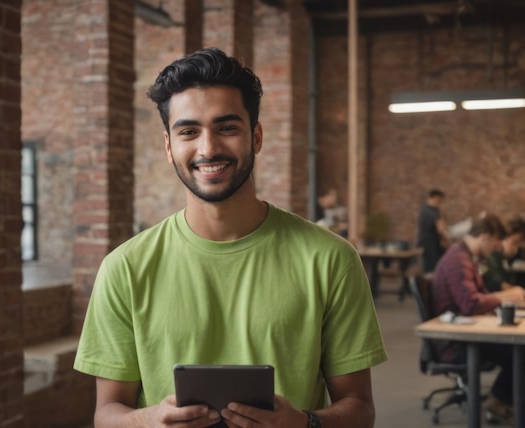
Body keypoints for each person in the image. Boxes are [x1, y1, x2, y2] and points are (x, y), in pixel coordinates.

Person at [73, 47, 388, 428]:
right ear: (169, 147)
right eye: (189, 131)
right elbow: (106, 414)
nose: (208, 148)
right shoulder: (124, 268)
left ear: (255, 137)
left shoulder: (330, 259)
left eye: (226, 128)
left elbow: (359, 408)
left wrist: (305, 424)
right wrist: (150, 420)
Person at [431, 213, 525, 424]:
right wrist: (505, 297)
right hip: (456, 342)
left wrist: (506, 298)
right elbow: (471, 304)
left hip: (465, 332)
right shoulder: (458, 259)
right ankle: (499, 401)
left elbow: (480, 297)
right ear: (485, 236)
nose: (496, 247)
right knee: (522, 351)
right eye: (495, 242)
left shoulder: (466, 257)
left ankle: (500, 400)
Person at [483, 217, 525, 292]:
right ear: (505, 236)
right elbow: (500, 284)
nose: (516, 250)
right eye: (515, 243)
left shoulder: (505, 259)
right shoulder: (491, 255)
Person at [416, 189, 450, 272]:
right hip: (431, 245)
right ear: (435, 198)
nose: (439, 203)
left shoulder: (424, 210)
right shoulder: (431, 212)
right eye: (439, 201)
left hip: (426, 243)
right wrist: (448, 242)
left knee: (429, 268)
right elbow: (441, 229)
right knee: (434, 269)